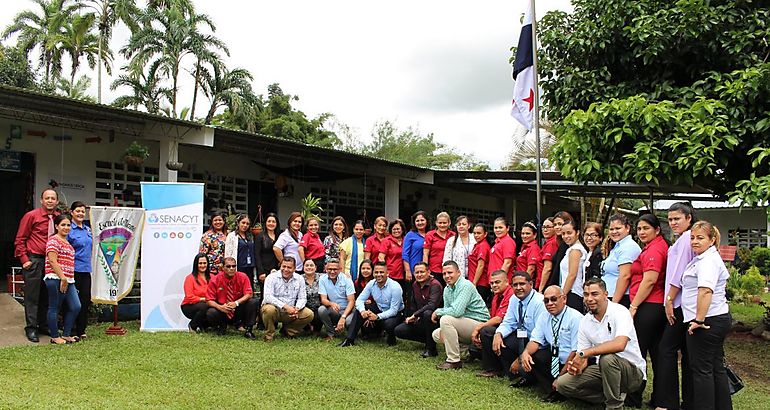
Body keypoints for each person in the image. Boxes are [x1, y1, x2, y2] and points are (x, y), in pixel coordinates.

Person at [555, 277, 646, 410]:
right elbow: (582, 356)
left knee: (607, 358)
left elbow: (620, 344)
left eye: (594, 294)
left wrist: (586, 353)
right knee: (563, 384)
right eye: (586, 294)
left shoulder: (620, 312)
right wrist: (578, 366)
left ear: (605, 294)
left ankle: (614, 407)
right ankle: (611, 397)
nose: (589, 298)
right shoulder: (585, 321)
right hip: (603, 371)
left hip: (632, 373)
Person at [681, 221, 732, 410]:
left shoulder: (708, 260)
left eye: (700, 238)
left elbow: (705, 291)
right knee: (715, 368)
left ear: (712, 240)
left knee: (702, 370)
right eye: (692, 237)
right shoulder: (702, 258)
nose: (694, 241)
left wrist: (698, 320)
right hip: (715, 318)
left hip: (707, 320)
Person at [627, 214, 669, 408]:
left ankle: (634, 397)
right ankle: (660, 397)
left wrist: (634, 306)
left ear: (657, 230)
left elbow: (650, 280)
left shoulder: (656, 250)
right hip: (653, 306)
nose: (642, 232)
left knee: (637, 353)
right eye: (639, 229)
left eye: (646, 228)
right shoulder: (653, 247)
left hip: (649, 305)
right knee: (657, 354)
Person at [658, 202, 696, 410]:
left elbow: (678, 275)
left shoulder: (686, 241)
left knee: (666, 350)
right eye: (670, 219)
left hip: (679, 304)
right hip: (684, 304)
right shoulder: (684, 240)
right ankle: (688, 401)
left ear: (689, 218)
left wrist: (669, 301)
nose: (673, 223)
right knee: (687, 354)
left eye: (677, 219)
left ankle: (667, 402)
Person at [520, 285, 582, 403]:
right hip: (555, 358)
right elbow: (535, 340)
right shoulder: (544, 316)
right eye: (546, 300)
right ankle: (552, 390)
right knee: (534, 356)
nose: (550, 303)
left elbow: (576, 352)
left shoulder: (575, 318)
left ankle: (561, 388)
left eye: (554, 299)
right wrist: (526, 353)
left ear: (564, 299)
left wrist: (561, 377)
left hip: (571, 362)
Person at [14, 188, 60, 342]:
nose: (50, 201)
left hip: (52, 262)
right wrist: (25, 260)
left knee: (48, 296)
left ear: (57, 201)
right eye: (47, 198)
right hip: (34, 260)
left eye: (53, 198)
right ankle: (32, 328)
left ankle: (44, 325)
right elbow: (20, 239)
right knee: (32, 297)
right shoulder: (31, 216)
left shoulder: (58, 218)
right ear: (41, 200)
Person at [431, 261, 490, 370]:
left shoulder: (465, 285)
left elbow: (456, 312)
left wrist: (438, 311)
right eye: (444, 274)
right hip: (464, 323)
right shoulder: (447, 289)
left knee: (445, 320)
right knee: (437, 334)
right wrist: (443, 311)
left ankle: (453, 361)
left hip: (480, 325)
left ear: (458, 272)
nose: (447, 276)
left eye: (450, 272)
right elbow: (450, 310)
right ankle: (467, 352)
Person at [489, 271, 546, 383]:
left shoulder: (539, 302)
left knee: (533, 358)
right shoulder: (514, 299)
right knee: (502, 340)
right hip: (524, 337)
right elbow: (508, 322)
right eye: (515, 285)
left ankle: (527, 376)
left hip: (538, 343)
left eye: (522, 284)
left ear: (531, 284)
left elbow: (540, 336)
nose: (518, 288)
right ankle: (513, 373)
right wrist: (498, 334)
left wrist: (520, 357)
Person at [339, 261, 404, 347]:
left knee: (388, 324)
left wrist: (377, 317)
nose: (378, 274)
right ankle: (349, 340)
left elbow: (393, 310)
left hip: (395, 313)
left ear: (387, 273)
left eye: (381, 272)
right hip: (379, 308)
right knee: (360, 309)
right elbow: (359, 300)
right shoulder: (371, 283)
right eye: (376, 272)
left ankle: (391, 339)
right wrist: (363, 311)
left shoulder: (395, 287)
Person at [44, 214, 81, 344]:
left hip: (69, 280)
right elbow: (53, 261)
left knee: (76, 306)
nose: (66, 227)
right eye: (63, 225)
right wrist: (62, 278)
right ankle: (54, 336)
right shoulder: (53, 240)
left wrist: (67, 279)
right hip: (55, 278)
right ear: (56, 226)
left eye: (68, 225)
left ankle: (66, 334)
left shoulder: (68, 243)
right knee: (55, 307)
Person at [394, 262, 442, 357]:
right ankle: (428, 339)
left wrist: (416, 314)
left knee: (428, 313)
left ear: (428, 272)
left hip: (435, 320)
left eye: (422, 272)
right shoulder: (415, 284)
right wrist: (413, 317)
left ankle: (431, 349)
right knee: (399, 330)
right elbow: (413, 304)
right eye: (417, 272)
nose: (419, 275)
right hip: (420, 318)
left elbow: (432, 305)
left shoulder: (435, 285)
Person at [261, 256, 314, 341]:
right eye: (283, 266)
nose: (286, 269)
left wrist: (297, 308)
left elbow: (302, 297)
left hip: (291, 311)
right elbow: (268, 297)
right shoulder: (271, 277)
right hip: (275, 310)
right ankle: (269, 335)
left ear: (294, 268)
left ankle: (288, 331)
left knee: (309, 314)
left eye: (289, 267)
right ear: (280, 266)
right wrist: (285, 306)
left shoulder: (299, 278)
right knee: (268, 309)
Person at [205, 257, 259, 339]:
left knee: (253, 302)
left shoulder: (243, 276)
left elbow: (249, 294)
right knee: (211, 312)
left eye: (234, 266)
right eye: (228, 266)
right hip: (223, 309)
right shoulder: (215, 280)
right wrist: (220, 307)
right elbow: (209, 300)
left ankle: (249, 330)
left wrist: (236, 303)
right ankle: (221, 326)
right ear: (222, 268)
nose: (231, 269)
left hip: (238, 308)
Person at [473, 270, 514, 377]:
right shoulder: (496, 296)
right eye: (492, 283)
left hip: (510, 332)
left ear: (507, 282)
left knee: (485, 331)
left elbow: (499, 319)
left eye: (497, 282)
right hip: (499, 329)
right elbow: (493, 318)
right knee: (473, 349)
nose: (494, 285)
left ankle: (494, 369)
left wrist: (479, 327)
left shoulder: (511, 295)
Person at [601, 213, 642, 307]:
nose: (614, 232)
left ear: (627, 228)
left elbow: (625, 276)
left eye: (618, 228)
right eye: (611, 229)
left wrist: (613, 304)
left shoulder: (628, 247)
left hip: (619, 298)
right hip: (608, 295)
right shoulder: (617, 246)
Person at [67, 201, 92, 339]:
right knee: (72, 302)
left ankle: (81, 330)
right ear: (72, 212)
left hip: (86, 270)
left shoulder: (87, 229)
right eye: (78, 211)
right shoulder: (68, 229)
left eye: (83, 211)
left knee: (85, 300)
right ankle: (70, 330)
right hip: (72, 270)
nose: (81, 213)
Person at [318, 258, 356, 341]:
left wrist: (343, 317)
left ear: (340, 269)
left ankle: (349, 334)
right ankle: (331, 333)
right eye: (329, 269)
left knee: (349, 322)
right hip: (335, 310)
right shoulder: (322, 279)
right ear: (326, 269)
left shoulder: (347, 279)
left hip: (348, 311)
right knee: (321, 309)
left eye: (335, 269)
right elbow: (323, 299)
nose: (332, 272)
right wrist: (331, 304)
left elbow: (351, 301)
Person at [559, 220, 588, 313]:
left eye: (569, 233)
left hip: (573, 293)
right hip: (570, 293)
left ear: (577, 232)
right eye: (563, 233)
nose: (566, 236)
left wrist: (562, 295)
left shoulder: (576, 250)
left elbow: (572, 275)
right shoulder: (571, 249)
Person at [225, 214, 257, 292]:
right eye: (243, 223)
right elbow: (228, 253)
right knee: (238, 290)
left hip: (249, 267)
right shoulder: (232, 236)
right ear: (238, 223)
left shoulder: (250, 236)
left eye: (247, 224)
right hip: (238, 267)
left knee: (248, 289)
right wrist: (229, 267)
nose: (245, 225)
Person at [423, 211, 455, 286]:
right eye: (440, 223)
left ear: (449, 223)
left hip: (449, 271)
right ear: (436, 223)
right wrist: (426, 270)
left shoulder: (453, 236)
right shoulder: (430, 235)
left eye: (444, 223)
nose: (442, 225)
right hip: (434, 270)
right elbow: (425, 254)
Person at [181, 253, 211, 333]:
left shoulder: (212, 277)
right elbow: (189, 297)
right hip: (189, 306)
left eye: (204, 263)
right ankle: (192, 326)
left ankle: (204, 326)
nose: (202, 265)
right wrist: (203, 299)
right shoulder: (190, 278)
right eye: (200, 263)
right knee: (204, 306)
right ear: (196, 264)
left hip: (207, 303)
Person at [544, 211, 574, 289]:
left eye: (560, 224)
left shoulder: (568, 246)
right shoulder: (561, 244)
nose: (557, 227)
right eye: (555, 225)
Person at [378, 219, 406, 296]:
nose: (396, 231)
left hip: (405, 274)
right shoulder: (386, 240)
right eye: (394, 229)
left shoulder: (406, 240)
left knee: (402, 296)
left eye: (398, 229)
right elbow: (381, 257)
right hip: (391, 275)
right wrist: (384, 273)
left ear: (402, 230)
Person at [403, 211, 428, 286]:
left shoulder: (431, 234)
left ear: (427, 221)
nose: (420, 223)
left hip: (428, 271)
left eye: (422, 220)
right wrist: (408, 271)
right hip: (414, 272)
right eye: (417, 221)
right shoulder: (410, 235)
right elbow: (405, 254)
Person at [469, 223, 492, 304]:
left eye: (479, 233)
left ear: (485, 234)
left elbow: (481, 265)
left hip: (480, 283)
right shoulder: (477, 245)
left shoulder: (483, 246)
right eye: (474, 233)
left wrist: (474, 283)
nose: (476, 235)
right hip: (476, 282)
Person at [488, 217, 517, 283]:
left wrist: (499, 280)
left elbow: (507, 263)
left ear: (507, 228)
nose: (498, 230)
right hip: (494, 281)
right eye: (496, 228)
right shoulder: (497, 242)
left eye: (500, 227)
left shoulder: (508, 241)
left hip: (501, 282)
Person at [256, 213, 280, 289]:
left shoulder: (280, 236)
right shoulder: (260, 236)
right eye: (269, 221)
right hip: (264, 270)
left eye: (273, 222)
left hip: (277, 269)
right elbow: (257, 255)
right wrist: (261, 272)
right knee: (265, 294)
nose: (271, 223)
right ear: (265, 223)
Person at [302, 258, 323, 334]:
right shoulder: (299, 278)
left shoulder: (322, 277)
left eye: (311, 265)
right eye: (306, 265)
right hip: (304, 307)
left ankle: (316, 329)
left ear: (315, 267)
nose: (309, 267)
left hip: (318, 307)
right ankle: (306, 327)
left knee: (321, 312)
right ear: (303, 267)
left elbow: (334, 274)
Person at [538, 218, 558, 292]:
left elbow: (547, 268)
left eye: (548, 227)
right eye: (543, 227)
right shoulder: (548, 243)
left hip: (546, 284)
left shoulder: (551, 244)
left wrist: (541, 289)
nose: (545, 230)